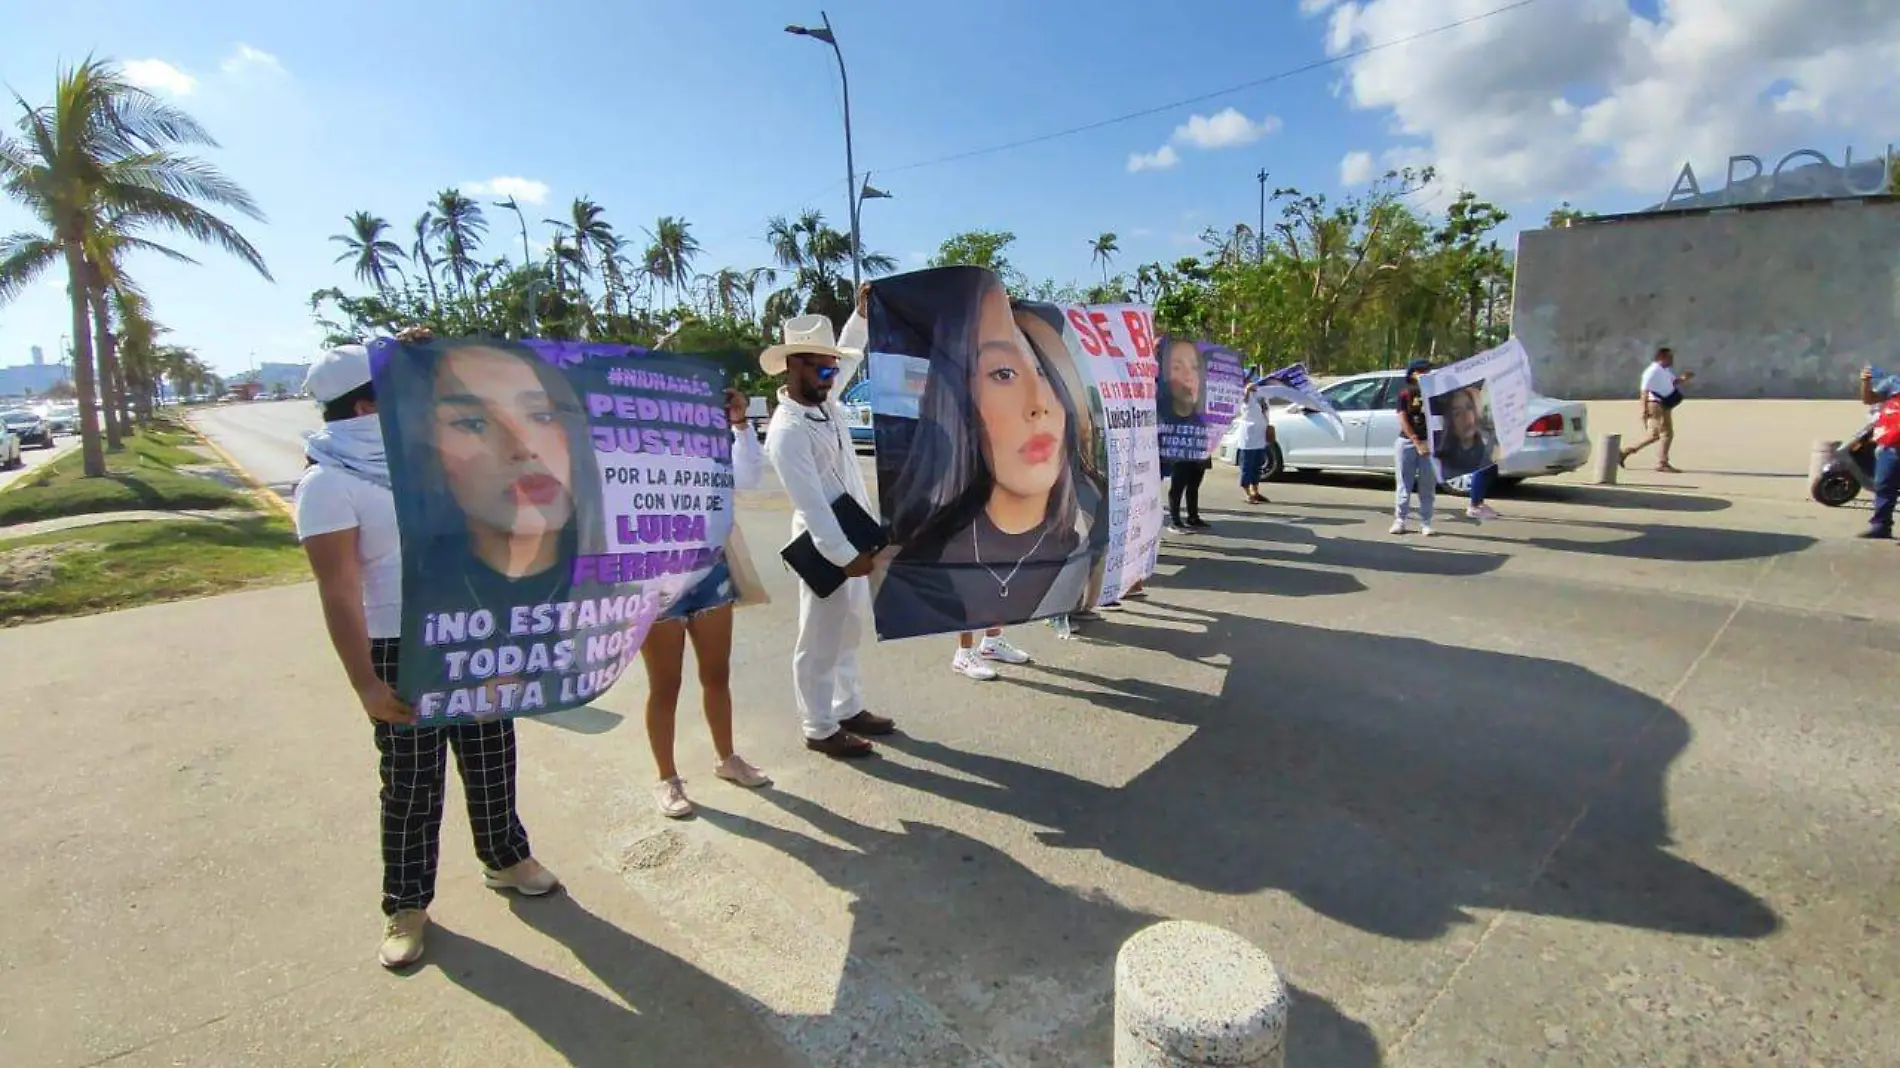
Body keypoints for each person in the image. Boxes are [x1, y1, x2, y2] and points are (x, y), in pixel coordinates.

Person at [293, 339, 558, 971]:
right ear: (366, 405)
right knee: (412, 783)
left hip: (468, 635)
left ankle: (505, 858)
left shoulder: (428, 463)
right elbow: (340, 593)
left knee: (492, 754)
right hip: (397, 646)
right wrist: (364, 683)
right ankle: (406, 904)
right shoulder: (327, 486)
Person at [872, 268, 1103, 639]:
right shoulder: (920, 564)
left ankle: (990, 645)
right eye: (1004, 374)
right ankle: (968, 653)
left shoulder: (1084, 544)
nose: (1038, 404)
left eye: (1045, 372)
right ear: (958, 403)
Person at [761, 314, 896, 759]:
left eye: (832, 370)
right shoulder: (787, 432)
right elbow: (812, 505)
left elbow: (850, 352)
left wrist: (859, 316)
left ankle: (848, 706)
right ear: (793, 366)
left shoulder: (826, 404)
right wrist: (842, 555)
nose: (831, 377)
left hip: (855, 538)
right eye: (822, 370)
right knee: (819, 638)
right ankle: (819, 727)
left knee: (849, 629)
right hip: (827, 546)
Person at [643, 386, 773, 817]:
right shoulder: (639, 450)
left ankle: (727, 758)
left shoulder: (715, 450)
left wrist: (740, 426)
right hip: (657, 583)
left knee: (716, 675)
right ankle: (667, 778)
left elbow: (750, 479)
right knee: (666, 686)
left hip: (710, 575)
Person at [1619, 346, 1693, 473]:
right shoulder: (1652, 371)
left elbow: (1672, 383)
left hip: (1665, 404)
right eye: (1670, 357)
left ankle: (1627, 453)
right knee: (1662, 434)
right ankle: (1661, 462)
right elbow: (1644, 390)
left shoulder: (1665, 371)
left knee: (1659, 435)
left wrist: (1683, 379)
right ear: (1662, 358)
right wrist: (1643, 410)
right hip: (1656, 404)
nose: (1672, 360)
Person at [1392, 360, 1436, 536]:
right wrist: (1415, 441)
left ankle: (1426, 522)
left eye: (1428, 371)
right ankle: (1400, 520)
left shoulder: (1434, 394)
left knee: (1427, 484)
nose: (1426, 374)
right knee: (1404, 483)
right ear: (1413, 374)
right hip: (1407, 442)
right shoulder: (1405, 393)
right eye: (1422, 371)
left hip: (1429, 443)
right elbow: (1403, 419)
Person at [1857, 366, 1900, 539]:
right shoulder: (1894, 382)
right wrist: (1865, 382)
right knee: (1883, 485)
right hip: (1890, 443)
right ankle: (1881, 526)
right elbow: (1869, 399)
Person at [1234, 378, 1274, 504]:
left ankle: (1255, 491)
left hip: (1260, 435)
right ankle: (1248, 493)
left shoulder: (1261, 396)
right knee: (1247, 466)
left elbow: (1265, 411)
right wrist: (1247, 389)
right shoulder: (1245, 396)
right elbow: (1244, 399)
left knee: (1257, 466)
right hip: (1249, 438)